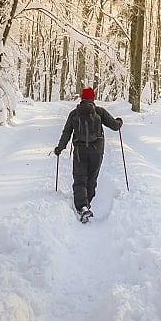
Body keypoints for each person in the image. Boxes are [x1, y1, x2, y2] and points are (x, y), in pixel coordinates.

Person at [54, 87, 123, 221]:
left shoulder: (74, 114)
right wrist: (120, 121)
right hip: (97, 151)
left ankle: (82, 207)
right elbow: (115, 126)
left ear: (81, 98)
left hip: (80, 150)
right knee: (92, 178)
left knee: (80, 178)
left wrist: (60, 148)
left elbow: (67, 132)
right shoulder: (100, 112)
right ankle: (87, 203)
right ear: (93, 98)